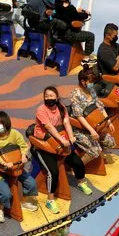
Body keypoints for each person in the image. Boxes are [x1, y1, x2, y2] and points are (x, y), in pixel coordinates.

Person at [33, 86, 93, 214]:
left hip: (59, 140)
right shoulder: (41, 110)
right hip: (45, 143)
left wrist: (71, 137)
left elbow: (66, 122)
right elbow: (48, 127)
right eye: (46, 96)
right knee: (52, 172)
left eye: (51, 95)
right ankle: (50, 199)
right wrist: (62, 139)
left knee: (78, 162)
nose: (49, 98)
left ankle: (81, 182)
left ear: (57, 97)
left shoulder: (61, 107)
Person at [0, 111, 38, 223]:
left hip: (16, 166)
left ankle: (25, 201)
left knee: (31, 183)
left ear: (6, 123)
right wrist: (4, 163)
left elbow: (23, 146)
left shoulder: (14, 133)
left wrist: (24, 155)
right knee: (6, 193)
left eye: (0, 123)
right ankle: (0, 208)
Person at [69, 67, 116, 164]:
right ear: (83, 81)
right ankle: (78, 168)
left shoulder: (91, 90)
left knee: (110, 142)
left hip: (95, 123)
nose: (92, 84)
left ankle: (99, 158)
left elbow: (100, 106)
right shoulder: (75, 95)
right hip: (81, 128)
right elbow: (79, 116)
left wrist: (108, 121)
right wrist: (91, 131)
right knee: (95, 151)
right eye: (90, 81)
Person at [52, 0, 96, 64]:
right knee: (91, 36)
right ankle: (86, 58)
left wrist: (76, 11)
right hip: (69, 35)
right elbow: (79, 17)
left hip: (58, 34)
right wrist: (85, 13)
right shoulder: (70, 8)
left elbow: (67, 14)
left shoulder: (56, 3)